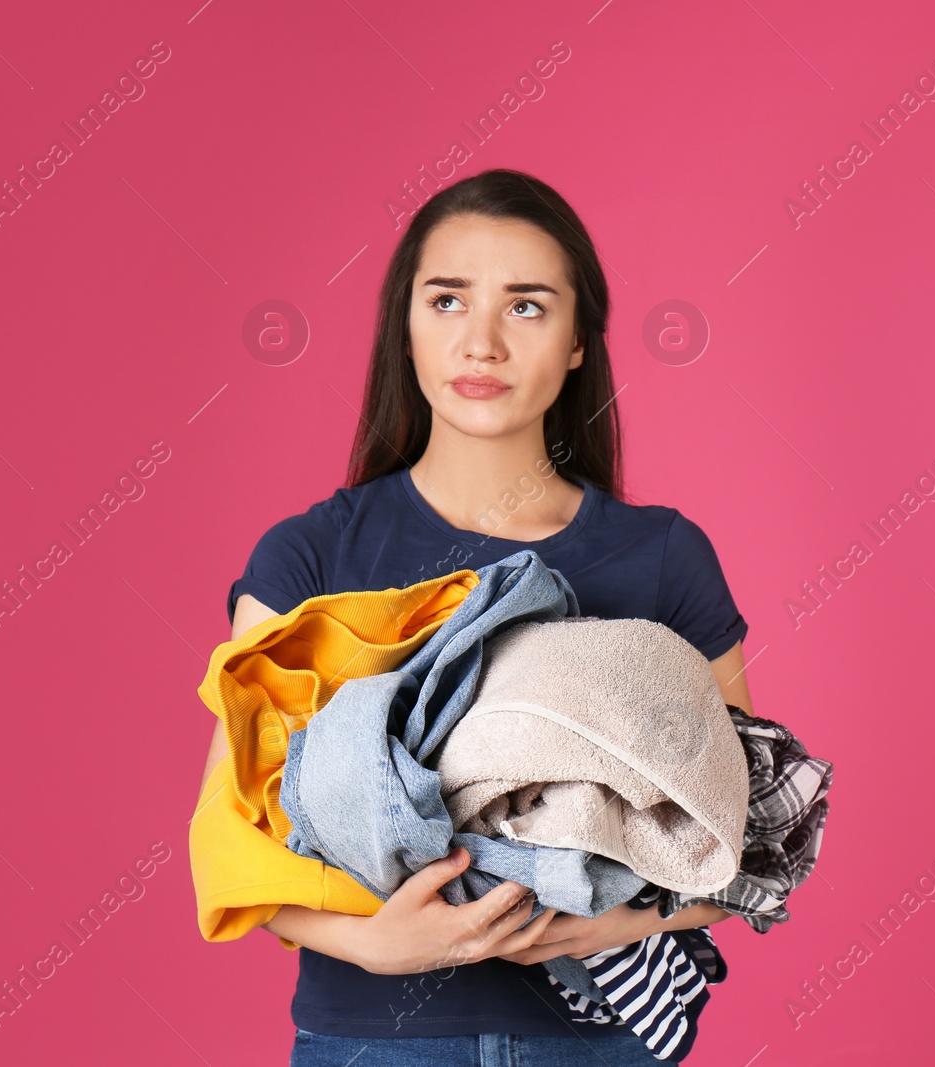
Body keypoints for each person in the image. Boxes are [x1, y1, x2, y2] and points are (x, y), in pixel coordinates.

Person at [202, 168, 757, 1066]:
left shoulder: (662, 556)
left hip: (599, 1047)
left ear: (580, 341)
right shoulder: (307, 557)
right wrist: (378, 943)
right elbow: (228, 832)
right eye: (449, 299)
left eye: (528, 306)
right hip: (373, 1045)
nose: (483, 342)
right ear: (406, 329)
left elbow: (749, 829)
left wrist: (613, 919)